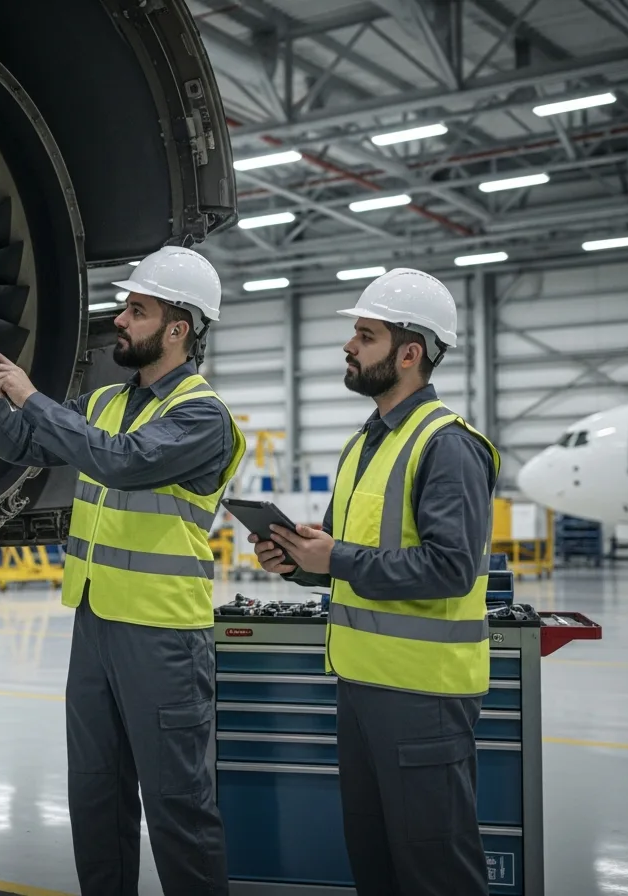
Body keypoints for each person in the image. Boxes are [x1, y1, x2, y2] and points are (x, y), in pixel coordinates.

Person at [0, 245, 245, 896]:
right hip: (95, 624)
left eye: (136, 310)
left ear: (178, 330)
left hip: (163, 638)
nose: (119, 319)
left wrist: (31, 392)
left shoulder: (202, 415)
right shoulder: (109, 402)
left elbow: (122, 461)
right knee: (95, 801)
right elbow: (21, 442)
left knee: (178, 808)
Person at [250, 268, 499, 896]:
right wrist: (299, 562)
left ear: (409, 353)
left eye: (366, 334)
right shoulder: (364, 444)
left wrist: (333, 560)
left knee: (435, 869)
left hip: (423, 695)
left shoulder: (447, 446)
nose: (349, 346)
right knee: (375, 861)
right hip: (361, 687)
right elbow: (346, 561)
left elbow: (450, 568)